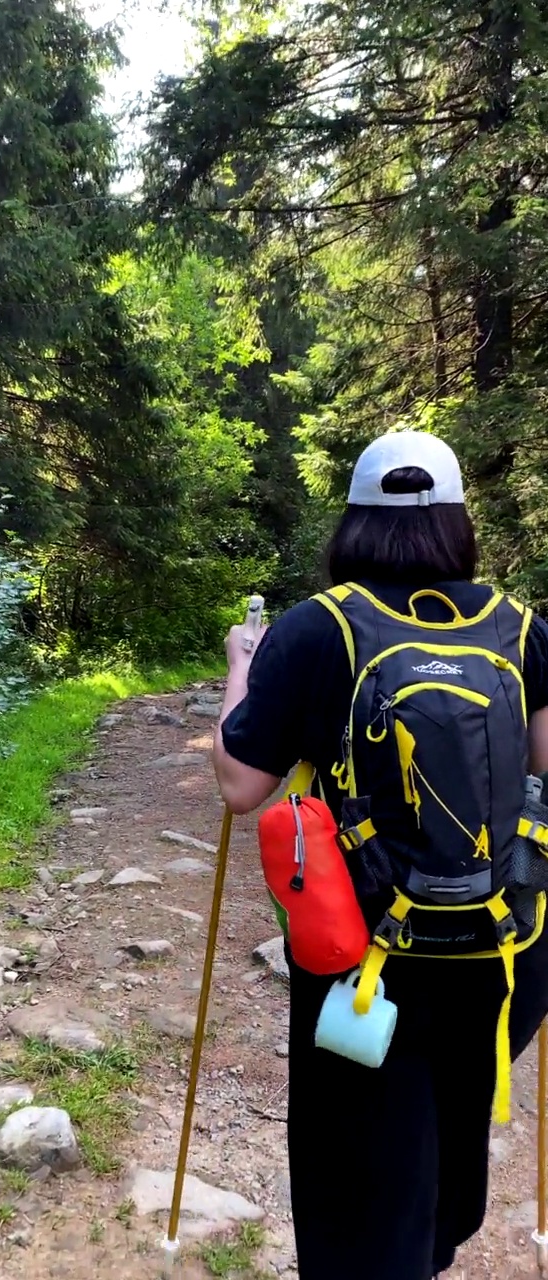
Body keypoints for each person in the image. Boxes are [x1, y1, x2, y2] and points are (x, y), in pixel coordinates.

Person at [213, 430, 548, 1280]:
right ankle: (430, 1248)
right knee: (444, 1140)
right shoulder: (518, 628)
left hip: (361, 959)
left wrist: (239, 669)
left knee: (358, 1171)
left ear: (354, 524)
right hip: (501, 950)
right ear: (459, 521)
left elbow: (240, 784)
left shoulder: (318, 629)